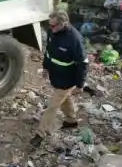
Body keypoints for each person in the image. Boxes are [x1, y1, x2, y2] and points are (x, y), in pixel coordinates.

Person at [31, 10, 88, 147]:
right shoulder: (53, 32)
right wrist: (45, 67)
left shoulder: (74, 39)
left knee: (52, 106)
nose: (50, 28)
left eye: (53, 25)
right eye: (49, 25)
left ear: (63, 23)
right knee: (65, 99)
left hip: (68, 79)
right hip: (56, 76)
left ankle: (41, 133)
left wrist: (80, 84)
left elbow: (83, 63)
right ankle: (71, 120)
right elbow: (49, 51)